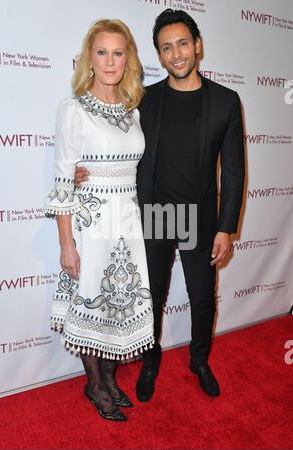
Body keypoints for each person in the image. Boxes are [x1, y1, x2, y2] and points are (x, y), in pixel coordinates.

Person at [75, 9, 245, 402]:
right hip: (151, 218)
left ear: (197, 46)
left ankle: (199, 361)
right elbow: (110, 139)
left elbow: (233, 171)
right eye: (166, 48)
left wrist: (226, 227)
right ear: (159, 55)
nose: (177, 54)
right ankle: (150, 363)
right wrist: (82, 171)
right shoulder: (144, 100)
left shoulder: (225, 102)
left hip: (199, 219)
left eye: (183, 43)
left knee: (202, 298)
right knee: (151, 298)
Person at [45, 19, 154, 421]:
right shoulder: (73, 110)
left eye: (118, 52)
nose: (110, 61)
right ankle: (94, 384)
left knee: (117, 305)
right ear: (89, 58)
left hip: (126, 223)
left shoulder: (134, 112)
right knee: (93, 299)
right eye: (102, 52)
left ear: (128, 59)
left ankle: (110, 380)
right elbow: (61, 182)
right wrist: (66, 243)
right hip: (90, 226)